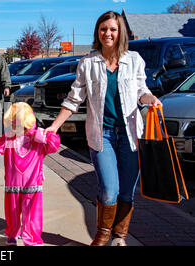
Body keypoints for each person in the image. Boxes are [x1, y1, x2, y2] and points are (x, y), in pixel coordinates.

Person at [44, 11, 162, 246]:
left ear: (121, 33)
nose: (108, 33)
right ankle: (102, 235)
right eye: (103, 29)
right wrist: (53, 127)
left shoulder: (134, 59)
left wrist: (151, 99)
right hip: (102, 136)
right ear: (98, 32)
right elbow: (73, 99)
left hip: (130, 136)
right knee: (109, 190)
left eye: (113, 29)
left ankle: (120, 237)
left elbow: (141, 90)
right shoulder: (88, 63)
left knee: (126, 192)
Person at [0, 102, 60, 246]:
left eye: (14, 122)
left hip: (33, 185)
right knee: (12, 213)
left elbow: (54, 144)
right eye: (11, 122)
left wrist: (38, 134)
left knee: (32, 215)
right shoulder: (9, 138)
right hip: (12, 186)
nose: (11, 126)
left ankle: (32, 240)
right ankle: (12, 235)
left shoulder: (39, 139)